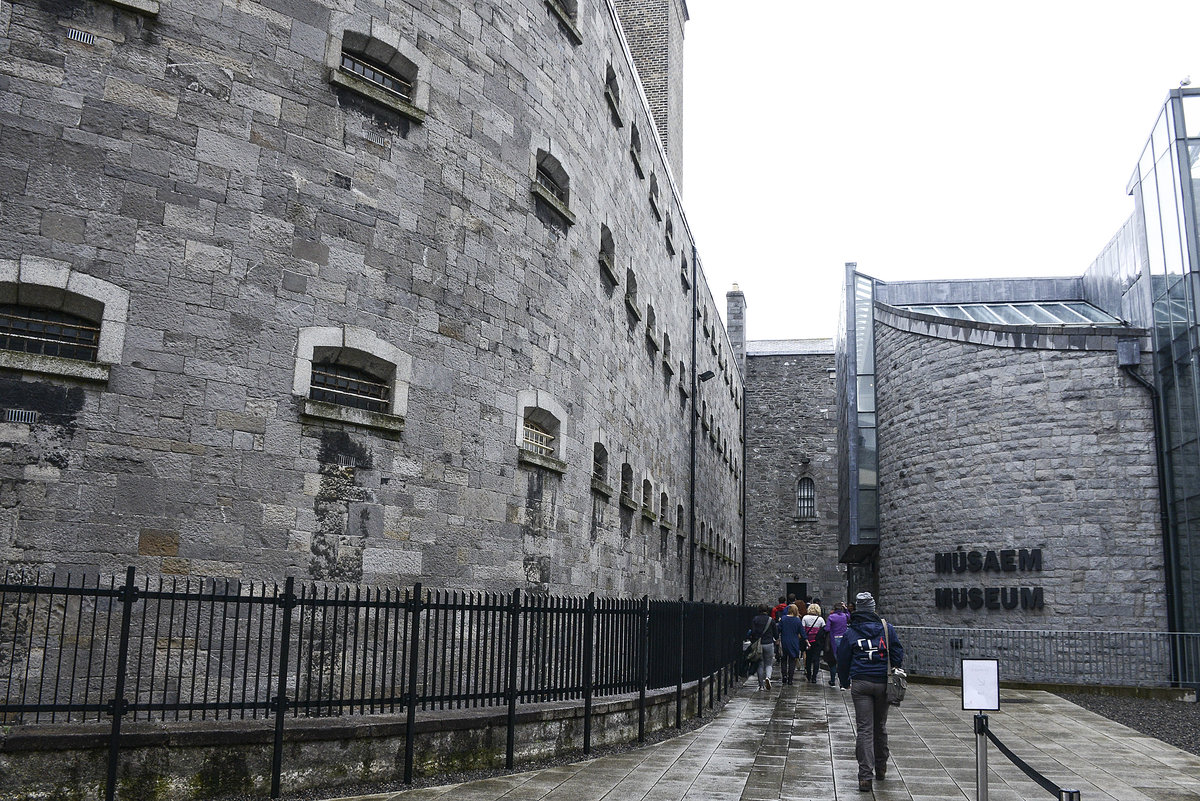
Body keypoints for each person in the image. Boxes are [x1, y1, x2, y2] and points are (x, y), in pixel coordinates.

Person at [836, 592, 904, 794]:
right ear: (873, 608)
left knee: (865, 729)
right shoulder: (886, 628)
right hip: (883, 682)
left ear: (857, 609)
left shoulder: (851, 632)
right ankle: (881, 767)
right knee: (880, 725)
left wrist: (844, 680)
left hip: (861, 683)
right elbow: (898, 652)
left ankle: (865, 776)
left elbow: (843, 659)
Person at [748, 604, 778, 691]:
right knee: (768, 663)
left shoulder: (755, 619)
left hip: (759, 645)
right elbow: (775, 633)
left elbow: (753, 632)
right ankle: (768, 677)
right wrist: (776, 639)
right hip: (768, 643)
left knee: (760, 664)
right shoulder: (770, 620)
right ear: (767, 610)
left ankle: (761, 685)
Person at [777, 603, 805, 685]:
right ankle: (790, 678)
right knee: (792, 660)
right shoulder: (797, 620)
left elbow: (778, 629)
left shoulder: (783, 619)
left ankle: (784, 676)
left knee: (784, 660)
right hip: (794, 642)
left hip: (784, 641)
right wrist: (806, 640)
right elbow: (802, 632)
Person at [826, 601, 850, 686]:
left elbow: (827, 628)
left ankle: (833, 680)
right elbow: (849, 616)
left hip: (834, 639)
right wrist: (846, 608)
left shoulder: (831, 617)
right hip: (843, 639)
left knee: (833, 661)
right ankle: (843, 682)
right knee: (843, 660)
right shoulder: (845, 616)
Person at [801, 603, 826, 683]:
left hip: (808, 641)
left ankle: (808, 674)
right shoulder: (820, 619)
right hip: (817, 641)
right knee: (816, 659)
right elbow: (824, 630)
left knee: (808, 658)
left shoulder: (805, 618)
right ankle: (814, 677)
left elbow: (803, 630)